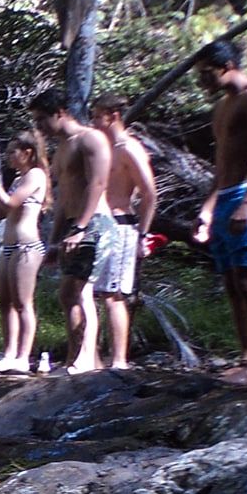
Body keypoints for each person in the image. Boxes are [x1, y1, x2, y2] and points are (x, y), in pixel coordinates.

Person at [193, 38, 247, 387]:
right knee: (231, 282)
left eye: (205, 75)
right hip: (226, 195)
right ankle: (245, 358)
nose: (202, 83)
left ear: (227, 66)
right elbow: (221, 164)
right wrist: (208, 207)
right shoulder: (223, 106)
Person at [28, 88, 115, 374]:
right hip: (71, 225)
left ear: (60, 113)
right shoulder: (62, 149)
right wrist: (54, 240)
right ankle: (86, 359)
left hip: (94, 222)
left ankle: (83, 359)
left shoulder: (90, 139)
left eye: (42, 120)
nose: (39, 127)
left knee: (77, 291)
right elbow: (64, 197)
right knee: (70, 294)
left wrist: (80, 228)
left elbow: (98, 184)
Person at [91, 93, 158, 370]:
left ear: (112, 115)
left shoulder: (129, 148)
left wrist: (143, 233)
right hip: (99, 225)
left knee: (114, 294)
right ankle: (94, 357)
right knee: (93, 292)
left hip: (122, 227)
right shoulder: (103, 147)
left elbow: (149, 193)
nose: (93, 122)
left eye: (97, 116)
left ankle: (119, 360)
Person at [0, 131, 51, 373]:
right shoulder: (18, 180)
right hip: (9, 246)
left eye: (13, 151)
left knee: (23, 302)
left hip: (27, 247)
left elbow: (11, 203)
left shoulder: (35, 175)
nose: (9, 156)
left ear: (27, 153)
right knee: (5, 302)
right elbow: (2, 212)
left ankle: (24, 356)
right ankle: (9, 353)